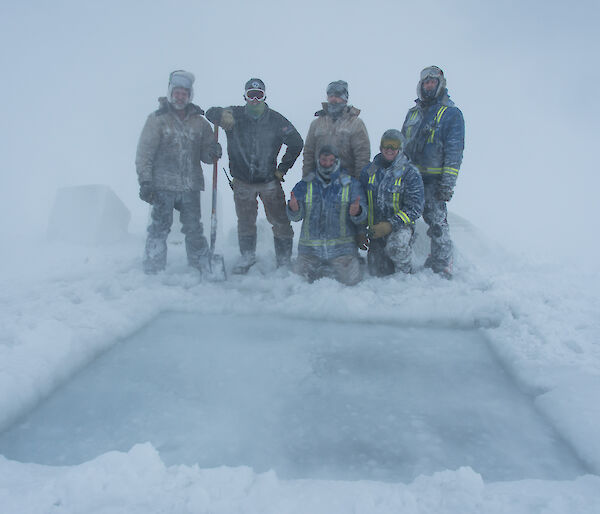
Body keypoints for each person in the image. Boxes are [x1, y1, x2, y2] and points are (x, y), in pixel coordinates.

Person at [206, 78, 303, 274]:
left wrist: (282, 169)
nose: (255, 100)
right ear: (245, 96)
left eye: (259, 95)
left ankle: (284, 261)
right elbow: (210, 113)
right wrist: (218, 113)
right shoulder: (235, 115)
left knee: (280, 221)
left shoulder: (276, 120)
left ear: (265, 96)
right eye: (251, 95)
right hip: (242, 181)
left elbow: (296, 142)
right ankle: (247, 257)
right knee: (245, 221)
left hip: (269, 181)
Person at [136, 70, 221, 274]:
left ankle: (201, 265)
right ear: (170, 93)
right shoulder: (157, 119)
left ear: (189, 95)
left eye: (184, 93)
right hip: (162, 185)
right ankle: (153, 268)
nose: (180, 96)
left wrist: (214, 152)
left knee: (193, 228)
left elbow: (207, 156)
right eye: (177, 92)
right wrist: (145, 182)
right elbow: (144, 153)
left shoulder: (200, 123)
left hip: (190, 186)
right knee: (159, 228)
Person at [401, 66, 465, 278]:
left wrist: (448, 183)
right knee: (404, 221)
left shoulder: (451, 114)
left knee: (437, 223)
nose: (429, 85)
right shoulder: (413, 114)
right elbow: (402, 145)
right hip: (410, 179)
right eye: (426, 82)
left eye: (433, 82)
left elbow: (454, 151)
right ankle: (403, 262)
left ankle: (443, 262)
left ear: (440, 84)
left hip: (434, 181)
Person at [288, 145, 367, 285]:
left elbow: (362, 216)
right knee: (297, 282)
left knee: (353, 281)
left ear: (337, 161)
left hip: (342, 250)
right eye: (324, 160)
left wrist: (357, 212)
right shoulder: (305, 184)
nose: (327, 164)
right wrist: (294, 209)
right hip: (310, 251)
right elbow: (295, 217)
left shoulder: (351, 185)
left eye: (331, 160)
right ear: (318, 160)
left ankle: (354, 261)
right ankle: (321, 269)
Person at [359, 130, 424, 276]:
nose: (389, 149)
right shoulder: (368, 171)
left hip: (401, 228)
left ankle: (406, 272)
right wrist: (361, 230)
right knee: (377, 271)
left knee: (396, 246)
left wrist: (390, 225)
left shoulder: (410, 173)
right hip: (376, 230)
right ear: (380, 147)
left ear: (400, 148)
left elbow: (415, 208)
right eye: (386, 145)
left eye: (393, 145)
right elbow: (361, 202)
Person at [302, 80, 370, 178]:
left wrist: (359, 184)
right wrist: (306, 179)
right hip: (319, 181)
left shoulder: (356, 124)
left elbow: (362, 156)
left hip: (347, 182)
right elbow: (308, 153)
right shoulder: (316, 123)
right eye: (330, 95)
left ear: (345, 99)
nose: (333, 99)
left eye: (337, 96)